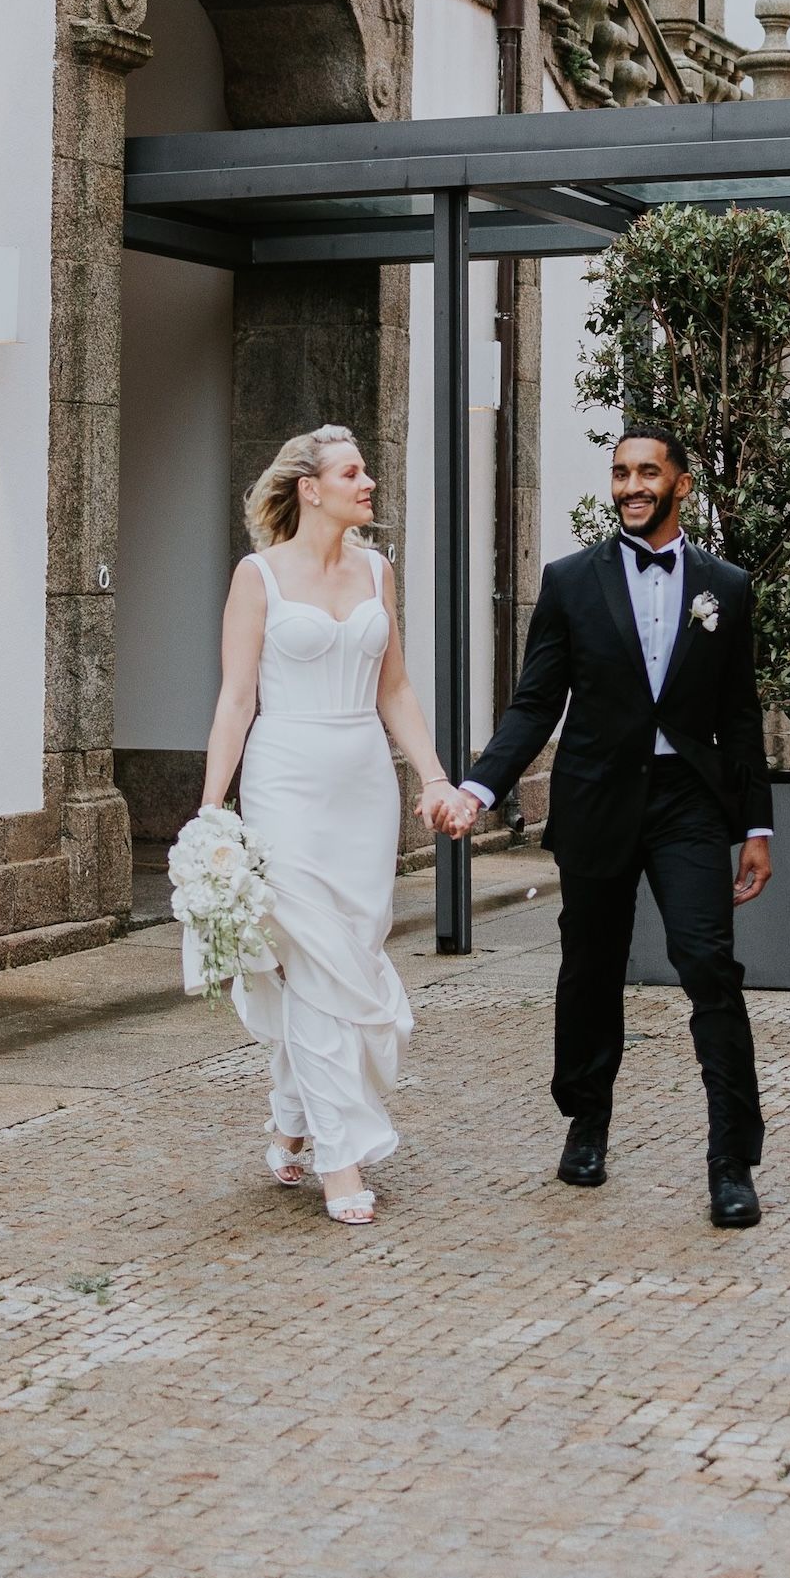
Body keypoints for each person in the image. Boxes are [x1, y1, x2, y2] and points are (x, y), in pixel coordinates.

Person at [437, 421, 774, 1228]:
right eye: (620, 473)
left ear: (681, 485)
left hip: (686, 801)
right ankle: (587, 1121)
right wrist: (481, 788)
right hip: (595, 798)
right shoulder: (569, 581)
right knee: (590, 969)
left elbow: (739, 714)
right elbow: (534, 704)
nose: (630, 486)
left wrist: (756, 827)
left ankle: (731, 1159)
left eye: (647, 473)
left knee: (708, 965)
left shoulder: (723, 587)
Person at [199, 422, 463, 1227]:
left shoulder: (378, 572)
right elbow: (237, 700)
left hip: (362, 784)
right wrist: (213, 812)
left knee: (350, 949)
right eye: (354, 472)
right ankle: (340, 1162)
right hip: (286, 782)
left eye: (367, 472)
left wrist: (433, 776)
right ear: (310, 488)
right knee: (314, 963)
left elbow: (396, 690)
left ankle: (290, 1120)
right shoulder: (258, 577)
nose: (369, 482)